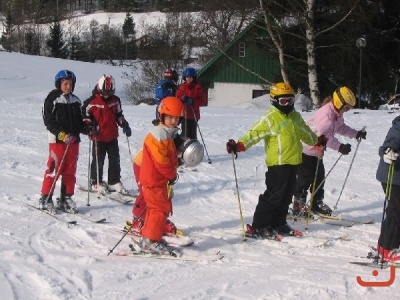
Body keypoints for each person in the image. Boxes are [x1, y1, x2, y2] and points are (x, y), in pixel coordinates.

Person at [226, 82, 322, 238]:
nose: (288, 104)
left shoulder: (295, 116)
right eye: (284, 101)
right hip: (277, 164)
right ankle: (260, 225)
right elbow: (253, 134)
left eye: (290, 101)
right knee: (274, 196)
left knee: (287, 196)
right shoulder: (269, 118)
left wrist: (316, 140)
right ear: (275, 101)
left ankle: (279, 223)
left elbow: (305, 132)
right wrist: (239, 145)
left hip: (294, 162)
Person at [292, 86, 367, 216]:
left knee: (319, 178)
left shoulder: (336, 113)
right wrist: (339, 147)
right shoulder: (326, 114)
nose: (347, 110)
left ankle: (316, 203)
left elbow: (341, 128)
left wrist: (356, 134)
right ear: (339, 103)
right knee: (305, 178)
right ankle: (299, 205)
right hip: (306, 149)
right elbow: (324, 135)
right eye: (347, 107)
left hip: (317, 151)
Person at [133, 96, 184, 255]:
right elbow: (161, 161)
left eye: (175, 118)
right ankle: (150, 241)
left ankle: (150, 236)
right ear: (161, 116)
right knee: (159, 209)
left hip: (158, 180)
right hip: (153, 179)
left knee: (158, 208)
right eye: (169, 117)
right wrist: (171, 173)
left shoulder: (167, 134)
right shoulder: (158, 135)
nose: (172, 121)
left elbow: (170, 156)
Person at [39, 70, 84, 214]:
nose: (68, 86)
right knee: (54, 169)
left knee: (70, 170)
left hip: (73, 141)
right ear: (59, 84)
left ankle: (66, 197)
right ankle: (46, 198)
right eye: (65, 84)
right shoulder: (53, 99)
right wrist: (61, 134)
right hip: (58, 140)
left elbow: (79, 122)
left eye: (70, 84)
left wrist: (88, 129)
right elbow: (49, 120)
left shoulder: (76, 100)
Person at [82, 74, 132, 194]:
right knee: (98, 160)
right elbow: (85, 117)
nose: (107, 95)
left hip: (112, 135)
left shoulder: (115, 101)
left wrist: (124, 124)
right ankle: (95, 182)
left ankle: (113, 182)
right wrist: (89, 127)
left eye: (109, 92)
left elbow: (118, 115)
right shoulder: (91, 102)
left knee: (115, 159)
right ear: (99, 88)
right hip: (98, 136)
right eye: (104, 91)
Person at [375, 116, 400, 262]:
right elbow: (387, 145)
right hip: (392, 175)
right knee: (396, 210)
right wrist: (387, 152)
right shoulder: (398, 126)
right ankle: (387, 248)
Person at [175, 67, 206, 140]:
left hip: (193, 114)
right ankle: (184, 147)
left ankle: (193, 146)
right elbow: (177, 97)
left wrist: (193, 101)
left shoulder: (198, 87)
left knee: (192, 133)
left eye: (190, 77)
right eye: (187, 77)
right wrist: (181, 99)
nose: (188, 79)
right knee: (185, 133)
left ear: (194, 78)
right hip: (184, 114)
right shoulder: (182, 87)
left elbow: (202, 100)